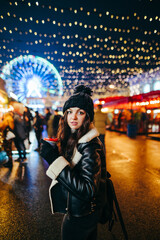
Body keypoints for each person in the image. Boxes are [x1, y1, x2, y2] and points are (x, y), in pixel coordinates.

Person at [40, 85, 106, 240]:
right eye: (69, 111)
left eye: (80, 112)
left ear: (88, 116)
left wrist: (54, 160)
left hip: (81, 214)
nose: (73, 117)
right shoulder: (75, 138)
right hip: (78, 210)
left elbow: (88, 189)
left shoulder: (89, 145)